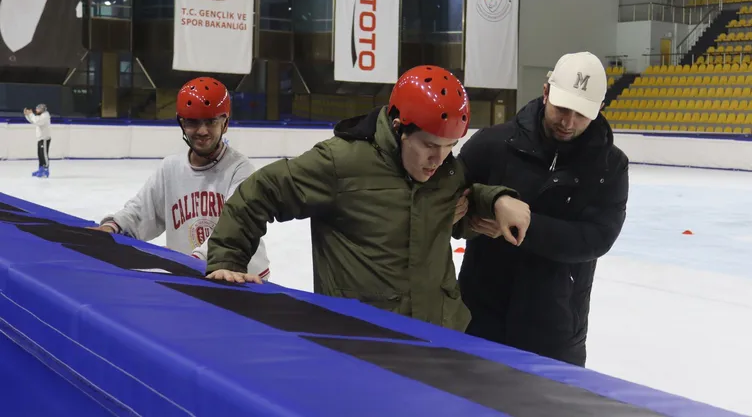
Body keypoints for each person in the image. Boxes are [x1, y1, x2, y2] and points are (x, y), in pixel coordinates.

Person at [203, 65, 531, 332]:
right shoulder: (341, 163)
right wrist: (228, 259)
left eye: (450, 147)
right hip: (364, 341)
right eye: (430, 145)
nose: (439, 158)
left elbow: (459, 204)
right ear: (400, 127)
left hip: (440, 338)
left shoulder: (445, 171)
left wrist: (495, 200)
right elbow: (261, 192)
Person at [457, 52, 629, 367]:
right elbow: (447, 199)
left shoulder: (610, 167)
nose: (568, 122)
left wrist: (523, 225)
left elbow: (596, 238)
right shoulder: (492, 144)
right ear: (546, 91)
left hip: (556, 330)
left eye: (581, 114)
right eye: (562, 108)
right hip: (479, 318)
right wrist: (485, 206)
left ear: (600, 108)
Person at [89, 77, 270, 280]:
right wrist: (113, 227)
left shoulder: (240, 169)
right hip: (191, 274)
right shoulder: (171, 168)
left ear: (225, 123)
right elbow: (141, 212)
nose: (202, 131)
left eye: (211, 121)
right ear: (181, 123)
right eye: (193, 122)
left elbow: (235, 228)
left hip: (241, 278)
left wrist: (193, 262)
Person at [24, 102, 50, 177]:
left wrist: (31, 113)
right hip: (40, 138)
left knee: (44, 155)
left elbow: (37, 121)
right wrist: (27, 115)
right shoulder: (40, 116)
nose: (36, 110)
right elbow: (33, 121)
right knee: (40, 154)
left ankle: (46, 170)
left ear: (42, 109)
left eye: (37, 109)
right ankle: (41, 169)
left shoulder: (45, 115)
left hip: (44, 138)